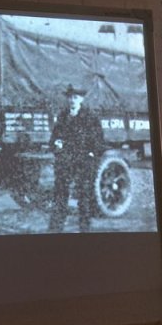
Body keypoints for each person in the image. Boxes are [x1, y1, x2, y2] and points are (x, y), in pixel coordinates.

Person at [49, 84, 104, 233]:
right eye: (70, 98)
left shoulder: (90, 117)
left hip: (83, 162)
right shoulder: (62, 116)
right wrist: (56, 143)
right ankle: (56, 228)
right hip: (65, 161)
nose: (72, 100)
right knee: (60, 194)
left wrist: (91, 154)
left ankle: (84, 230)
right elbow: (54, 136)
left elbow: (98, 139)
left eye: (75, 98)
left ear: (81, 99)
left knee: (84, 196)